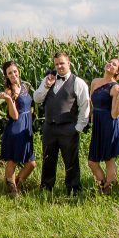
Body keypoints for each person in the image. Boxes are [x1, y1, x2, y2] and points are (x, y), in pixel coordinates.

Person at [33, 52, 90, 194]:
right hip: (49, 128)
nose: (59, 66)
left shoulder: (78, 82)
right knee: (48, 160)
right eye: (56, 64)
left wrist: (78, 127)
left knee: (71, 161)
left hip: (68, 128)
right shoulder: (48, 79)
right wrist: (46, 86)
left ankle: (73, 189)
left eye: (62, 63)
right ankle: (46, 188)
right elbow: (37, 99)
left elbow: (85, 106)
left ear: (69, 63)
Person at [87, 58, 119, 194]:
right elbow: (91, 103)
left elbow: (115, 114)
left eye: (114, 65)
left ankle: (108, 190)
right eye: (110, 62)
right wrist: (92, 119)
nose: (110, 65)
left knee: (109, 159)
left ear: (117, 71)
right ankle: (104, 186)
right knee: (92, 162)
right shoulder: (95, 81)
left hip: (109, 124)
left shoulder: (115, 87)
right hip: (98, 124)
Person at [0, 60, 36, 196]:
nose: (13, 75)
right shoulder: (9, 91)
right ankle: (12, 190)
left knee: (31, 164)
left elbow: (29, 106)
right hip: (16, 127)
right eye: (9, 73)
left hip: (27, 126)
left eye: (14, 71)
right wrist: (8, 100)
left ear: (18, 71)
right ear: (6, 76)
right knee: (13, 160)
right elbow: (14, 115)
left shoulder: (25, 86)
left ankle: (17, 184)